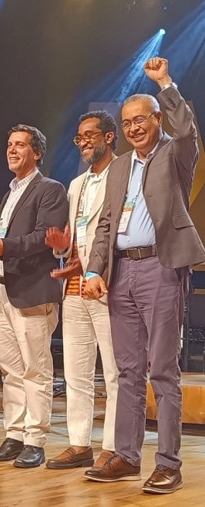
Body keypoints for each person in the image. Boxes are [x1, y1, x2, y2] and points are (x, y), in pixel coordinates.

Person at [83, 57, 205, 494]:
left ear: (157, 119)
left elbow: (187, 129)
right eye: (127, 122)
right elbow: (105, 223)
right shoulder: (118, 166)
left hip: (160, 267)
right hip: (121, 272)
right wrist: (94, 268)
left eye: (141, 119)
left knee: (163, 372)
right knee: (127, 371)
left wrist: (165, 83)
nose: (134, 127)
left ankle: (169, 464)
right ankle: (127, 457)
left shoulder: (176, 152)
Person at [0, 125, 68, 468]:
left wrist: (4, 246)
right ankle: (14, 434)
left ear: (37, 152)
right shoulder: (10, 192)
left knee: (35, 369)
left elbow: (45, 237)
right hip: (4, 289)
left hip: (32, 290)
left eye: (20, 145)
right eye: (9, 144)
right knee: (11, 370)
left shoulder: (50, 189)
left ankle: (35, 439)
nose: (12, 150)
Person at [44, 111, 120, 470]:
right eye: (79, 137)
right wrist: (63, 249)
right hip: (74, 290)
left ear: (109, 137)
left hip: (108, 287)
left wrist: (95, 269)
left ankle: (114, 447)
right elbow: (77, 239)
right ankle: (79, 444)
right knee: (75, 373)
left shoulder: (123, 173)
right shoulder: (76, 185)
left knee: (115, 373)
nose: (84, 142)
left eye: (90, 135)